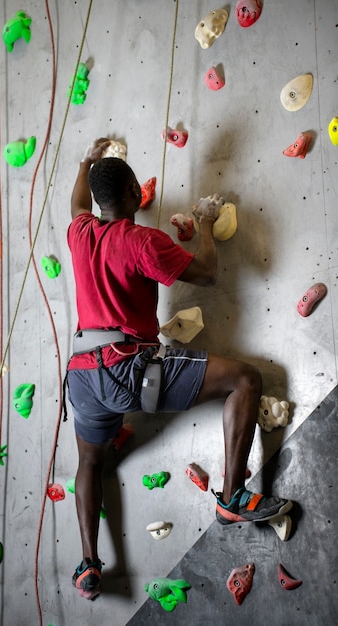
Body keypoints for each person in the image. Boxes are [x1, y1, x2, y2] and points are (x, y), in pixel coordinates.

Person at [66, 138, 292, 600]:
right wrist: (206, 224)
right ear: (133, 191)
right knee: (246, 379)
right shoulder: (141, 240)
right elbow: (207, 272)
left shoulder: (80, 232)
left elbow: (75, 201)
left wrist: (88, 161)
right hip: (131, 370)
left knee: (90, 460)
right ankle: (231, 496)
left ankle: (89, 564)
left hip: (82, 376)